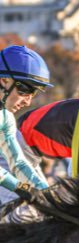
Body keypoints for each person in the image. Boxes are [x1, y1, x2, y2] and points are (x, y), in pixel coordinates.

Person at [0, 45, 52, 210]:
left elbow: (19, 163)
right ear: (4, 81)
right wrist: (21, 187)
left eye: (34, 93)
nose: (28, 102)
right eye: (25, 90)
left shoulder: (5, 118)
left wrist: (47, 193)